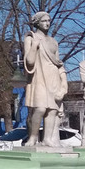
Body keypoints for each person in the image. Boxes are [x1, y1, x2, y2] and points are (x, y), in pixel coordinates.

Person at [23, 11, 67, 146]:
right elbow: (29, 62)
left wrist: (64, 83)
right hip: (39, 77)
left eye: (49, 20)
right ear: (37, 22)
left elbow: (59, 64)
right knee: (40, 108)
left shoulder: (53, 42)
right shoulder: (30, 38)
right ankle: (33, 137)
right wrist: (35, 46)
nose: (47, 23)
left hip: (53, 77)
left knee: (52, 110)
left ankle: (47, 139)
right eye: (44, 21)